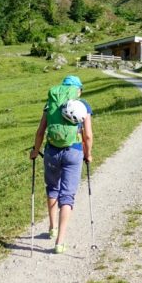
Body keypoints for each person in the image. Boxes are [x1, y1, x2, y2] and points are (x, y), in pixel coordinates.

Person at [30, 74, 93, 254]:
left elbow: (40, 131)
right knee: (67, 195)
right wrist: (88, 155)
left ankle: (52, 227)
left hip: (51, 151)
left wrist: (35, 150)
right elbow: (88, 135)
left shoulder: (50, 104)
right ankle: (60, 242)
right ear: (77, 89)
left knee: (52, 188)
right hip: (74, 152)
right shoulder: (83, 105)